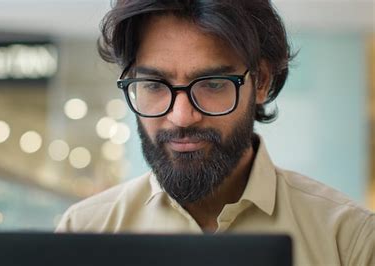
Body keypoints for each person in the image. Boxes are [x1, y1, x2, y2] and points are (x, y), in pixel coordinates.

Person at [56, 0, 374, 265]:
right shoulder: (84, 230)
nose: (181, 117)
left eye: (212, 84)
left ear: (260, 81)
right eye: (154, 85)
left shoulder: (348, 240)